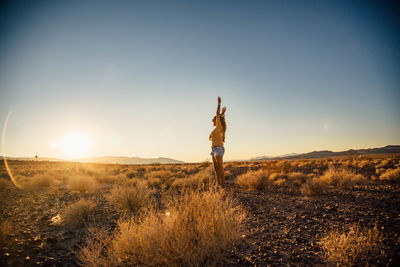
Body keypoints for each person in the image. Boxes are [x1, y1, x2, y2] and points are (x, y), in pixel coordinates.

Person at [209, 96, 227, 187]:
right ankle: (218, 184)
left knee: (220, 167)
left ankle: (223, 185)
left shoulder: (219, 127)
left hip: (218, 148)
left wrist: (219, 104)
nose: (213, 122)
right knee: (216, 168)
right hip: (213, 149)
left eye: (214, 120)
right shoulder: (216, 129)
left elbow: (217, 114)